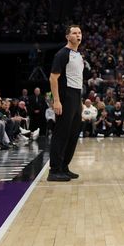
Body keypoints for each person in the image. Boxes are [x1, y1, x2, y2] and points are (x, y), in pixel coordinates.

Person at [48, 25, 84, 182]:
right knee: (61, 133)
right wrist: (56, 100)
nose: (78, 35)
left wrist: (80, 102)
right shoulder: (62, 54)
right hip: (65, 96)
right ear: (68, 37)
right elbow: (53, 78)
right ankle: (54, 170)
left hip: (76, 96)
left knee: (73, 134)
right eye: (74, 33)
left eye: (80, 33)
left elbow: (78, 80)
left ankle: (64, 166)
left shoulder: (78, 55)